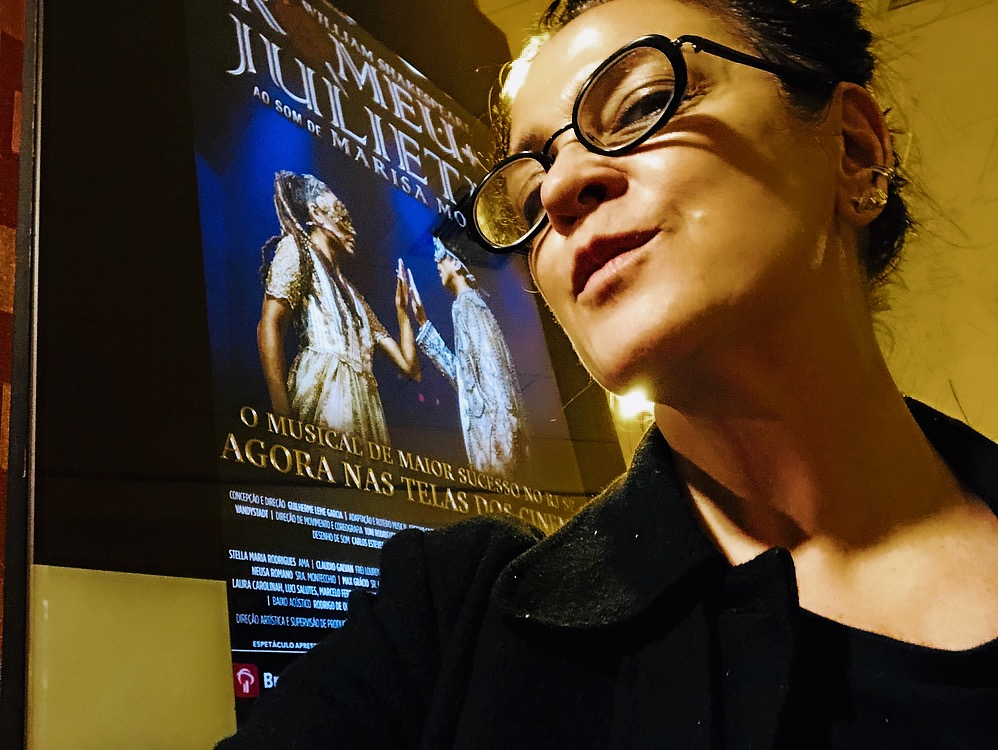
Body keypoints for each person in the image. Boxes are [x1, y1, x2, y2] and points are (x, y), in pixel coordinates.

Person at [221, 1, 998, 747]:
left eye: (640, 106)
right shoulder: (448, 626)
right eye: (528, 193)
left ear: (853, 148)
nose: (560, 190)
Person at [257, 171, 419, 446]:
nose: (351, 228)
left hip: (364, 409)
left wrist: (402, 310)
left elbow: (410, 367)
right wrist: (282, 418)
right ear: (316, 213)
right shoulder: (299, 250)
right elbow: (269, 324)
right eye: (341, 213)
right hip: (325, 394)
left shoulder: (354, 297)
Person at [408, 237, 527, 477]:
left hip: (497, 451)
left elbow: (494, 376)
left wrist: (502, 447)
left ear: (455, 262)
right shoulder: (466, 305)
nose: (437, 264)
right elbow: (466, 380)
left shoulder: (468, 305)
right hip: (493, 447)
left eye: (440, 257)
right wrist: (423, 322)